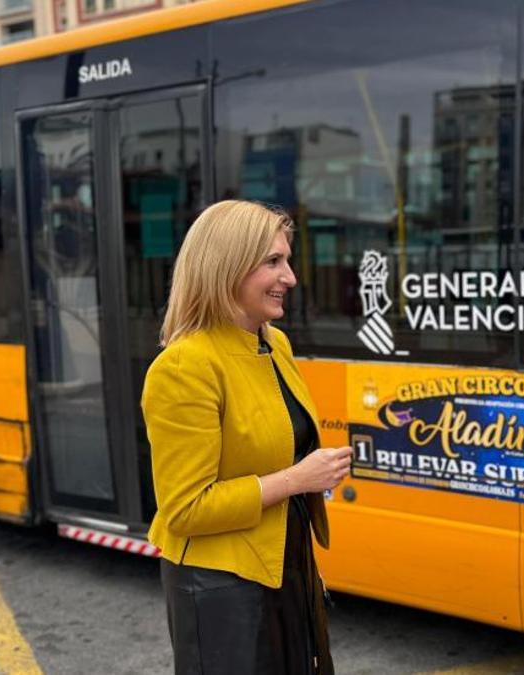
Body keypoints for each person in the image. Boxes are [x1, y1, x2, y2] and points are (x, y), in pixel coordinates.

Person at [142, 200, 352, 674]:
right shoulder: (184, 367)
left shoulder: (274, 342)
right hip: (222, 587)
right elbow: (185, 509)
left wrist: (312, 472)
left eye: (288, 260)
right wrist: (298, 478)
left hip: (286, 567)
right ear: (227, 267)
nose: (291, 277)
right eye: (273, 262)